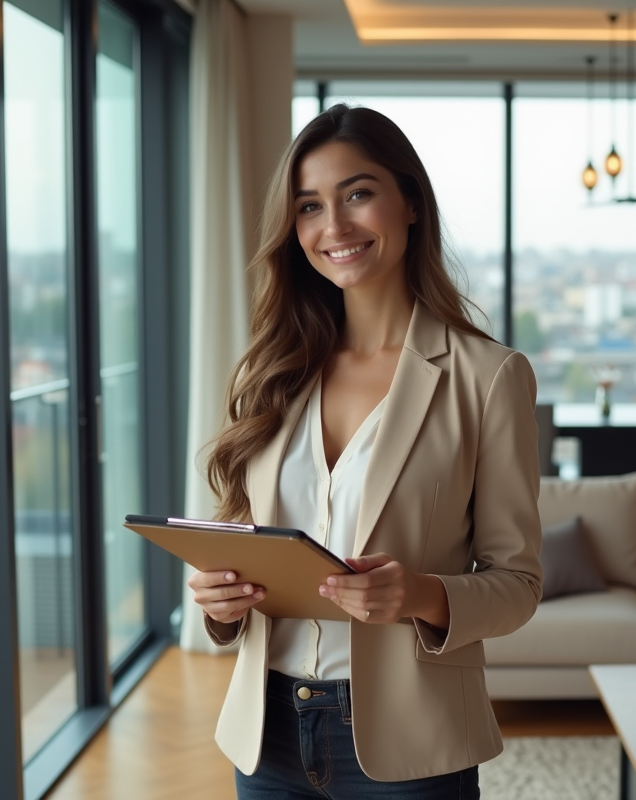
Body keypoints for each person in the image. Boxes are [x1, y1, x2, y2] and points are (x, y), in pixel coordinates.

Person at [187, 104, 543, 799]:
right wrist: (218, 601)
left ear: (410, 201)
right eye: (310, 206)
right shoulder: (273, 371)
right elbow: (241, 536)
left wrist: (420, 594)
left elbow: (519, 586)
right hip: (269, 738)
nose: (335, 226)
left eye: (358, 193)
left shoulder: (489, 376)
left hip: (411, 747)